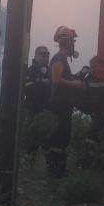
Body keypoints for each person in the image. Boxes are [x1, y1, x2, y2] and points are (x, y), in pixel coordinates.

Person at [44, 26, 85, 177]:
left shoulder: (62, 59)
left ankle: (58, 169)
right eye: (72, 40)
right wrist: (75, 84)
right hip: (60, 103)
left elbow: (62, 78)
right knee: (60, 135)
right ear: (67, 42)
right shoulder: (59, 58)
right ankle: (55, 170)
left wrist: (75, 78)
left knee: (63, 135)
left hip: (64, 103)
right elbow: (56, 79)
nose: (73, 43)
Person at [23, 45, 51, 116]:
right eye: (43, 56)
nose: (46, 58)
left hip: (48, 111)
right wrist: (41, 83)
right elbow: (27, 90)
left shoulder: (50, 71)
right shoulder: (30, 71)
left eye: (47, 56)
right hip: (33, 111)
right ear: (36, 57)